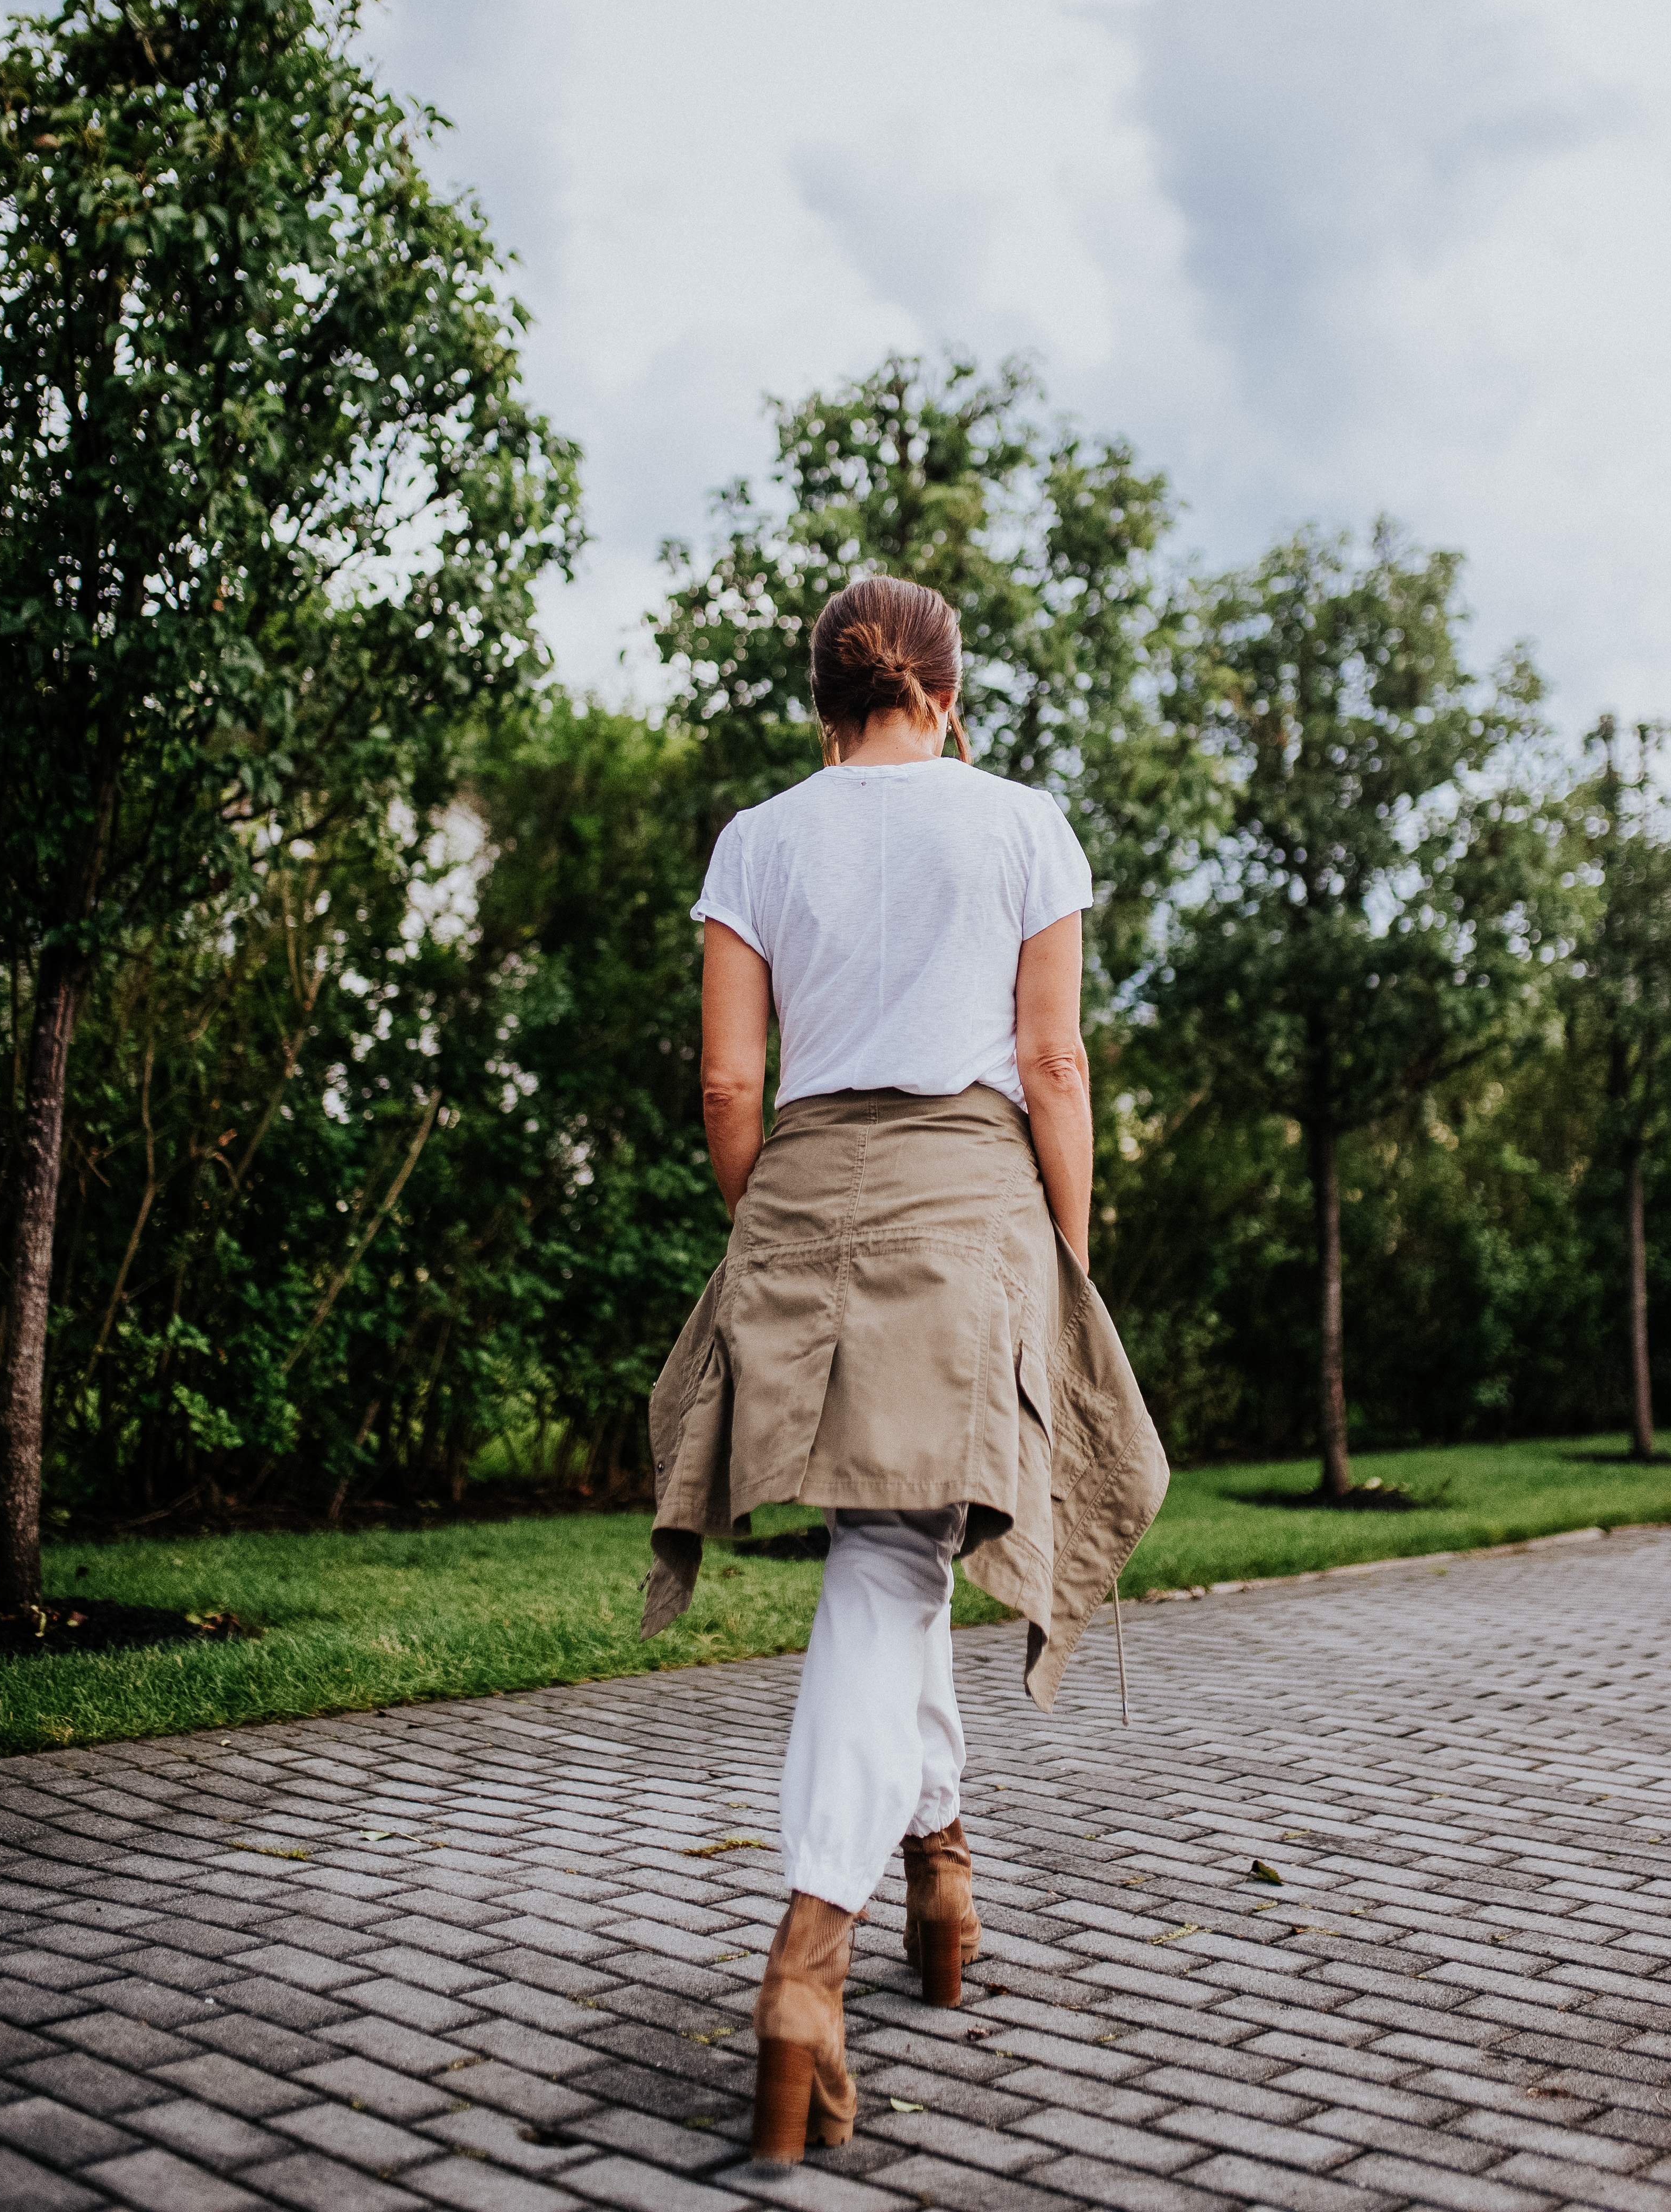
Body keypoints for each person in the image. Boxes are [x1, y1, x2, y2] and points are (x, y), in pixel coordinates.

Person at [642, 574, 1168, 2164]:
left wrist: (777, 1223)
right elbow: (1054, 1059)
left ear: (829, 703)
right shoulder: (1020, 821)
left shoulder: (759, 837)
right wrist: (1062, 1256)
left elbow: (733, 1076)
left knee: (900, 1541)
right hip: (966, 1194)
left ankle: (941, 1862)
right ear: (950, 692)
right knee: (894, 1551)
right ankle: (807, 1961)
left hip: (802, 1186)